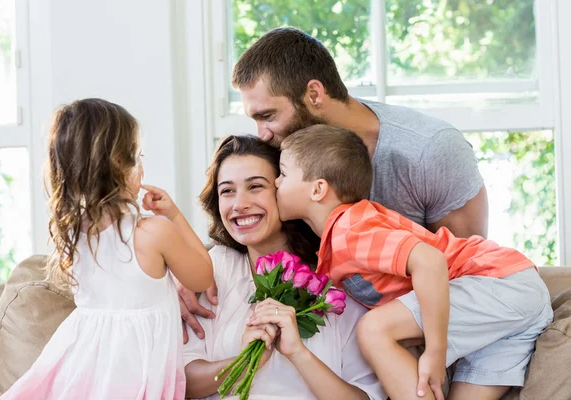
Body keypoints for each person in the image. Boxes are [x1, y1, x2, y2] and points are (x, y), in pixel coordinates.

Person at [180, 26, 489, 339]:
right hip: (341, 334)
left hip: (424, 331)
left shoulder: (430, 150)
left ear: (314, 94)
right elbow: (250, 217)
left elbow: (468, 276)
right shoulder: (286, 152)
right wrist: (194, 273)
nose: (262, 133)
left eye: (268, 115)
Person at [272, 124, 553, 400]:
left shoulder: (351, 229)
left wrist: (435, 350)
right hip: (515, 304)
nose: (275, 182)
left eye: (283, 173)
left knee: (373, 329)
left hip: (499, 283)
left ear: (318, 189)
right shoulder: (340, 240)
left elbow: (429, 261)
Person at [0, 98, 213, 400]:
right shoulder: (154, 232)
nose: (142, 165)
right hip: (133, 375)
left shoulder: (73, 235)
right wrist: (175, 215)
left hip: (81, 367)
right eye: (137, 156)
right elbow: (202, 277)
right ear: (119, 166)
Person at [146, 135, 387, 400]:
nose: (239, 204)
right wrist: (243, 363)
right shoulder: (211, 271)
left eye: (256, 186)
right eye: (227, 190)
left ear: (283, 189)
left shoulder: (338, 278)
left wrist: (299, 354)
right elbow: (182, 381)